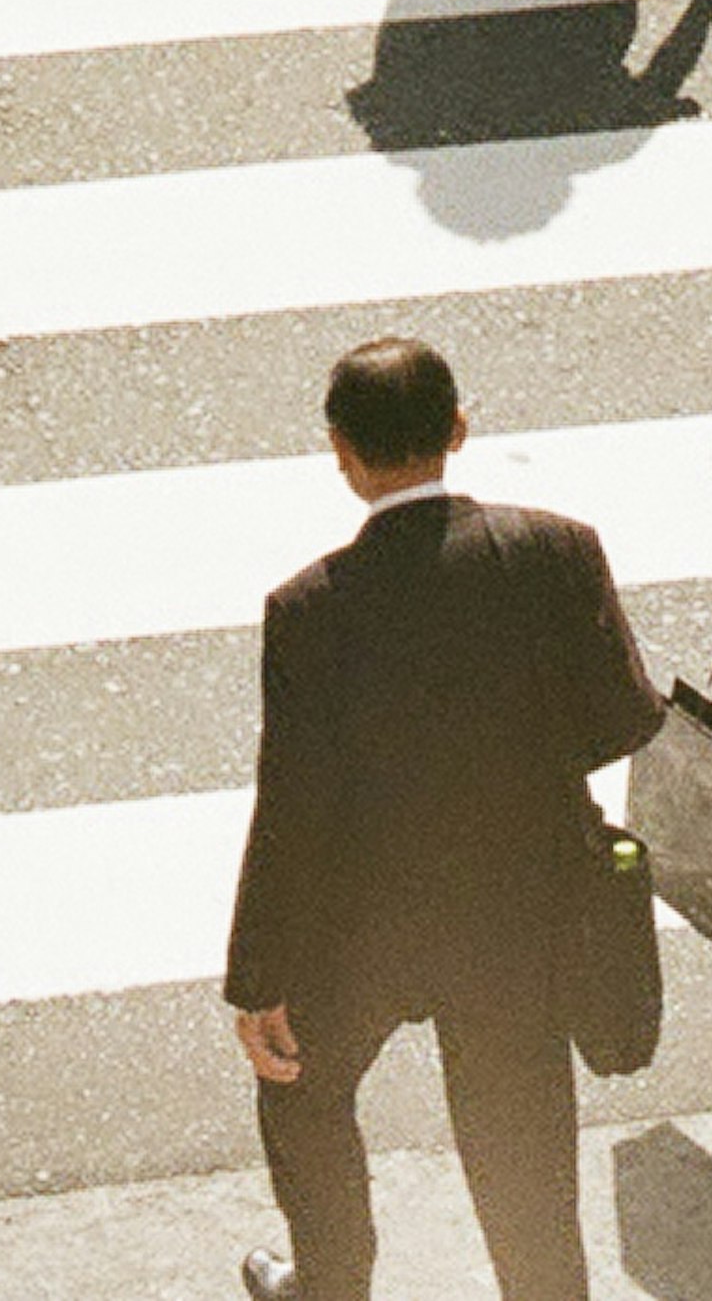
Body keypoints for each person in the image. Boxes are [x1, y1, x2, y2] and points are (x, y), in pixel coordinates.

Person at [225, 329, 666, 1301]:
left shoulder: (308, 610)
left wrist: (256, 972)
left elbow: (290, 804)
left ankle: (332, 1282)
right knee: (523, 1150)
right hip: (514, 916)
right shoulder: (556, 552)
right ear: (460, 428)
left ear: (342, 456)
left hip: (360, 926)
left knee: (302, 1090)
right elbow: (619, 723)